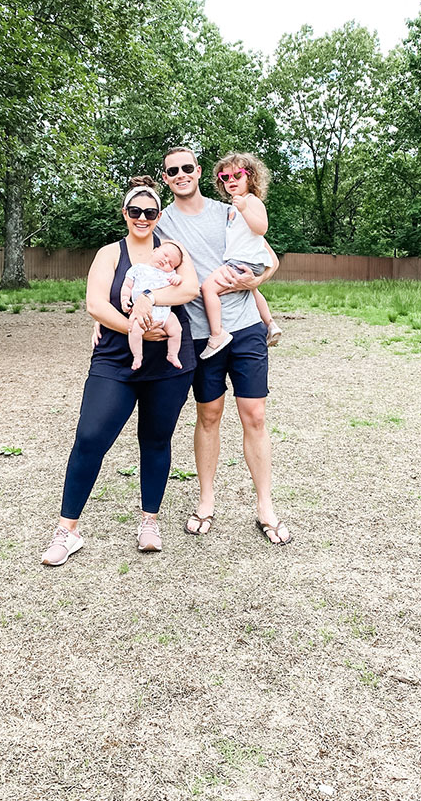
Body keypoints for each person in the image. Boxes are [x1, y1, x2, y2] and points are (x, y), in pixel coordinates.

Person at [41, 177, 199, 565]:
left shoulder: (174, 252)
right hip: (115, 359)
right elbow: (96, 304)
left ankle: (149, 522)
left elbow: (189, 290)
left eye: (149, 212)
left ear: (159, 216)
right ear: (125, 214)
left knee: (156, 439)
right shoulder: (111, 253)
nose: (142, 218)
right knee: (90, 436)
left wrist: (148, 299)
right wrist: (137, 327)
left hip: (169, 363)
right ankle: (67, 531)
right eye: (135, 211)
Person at [154, 146, 292, 546]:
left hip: (246, 328)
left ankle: (265, 506)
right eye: (172, 171)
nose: (180, 174)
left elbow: (269, 258)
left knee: (254, 416)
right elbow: (139, 263)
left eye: (186, 168)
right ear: (166, 178)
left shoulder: (229, 209)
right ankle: (206, 501)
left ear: (198, 171)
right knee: (209, 415)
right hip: (200, 332)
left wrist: (256, 282)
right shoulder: (162, 223)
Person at [199, 152, 280, 359]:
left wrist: (244, 209)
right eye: (225, 178)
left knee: (208, 288)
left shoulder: (251, 202)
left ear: (250, 176)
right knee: (253, 292)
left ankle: (217, 334)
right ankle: (270, 324)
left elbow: (261, 228)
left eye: (237, 175)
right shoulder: (234, 207)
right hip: (245, 261)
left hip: (243, 262)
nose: (231, 181)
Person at [121, 241, 185, 370]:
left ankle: (172, 354)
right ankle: (137, 356)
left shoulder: (170, 275)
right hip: (141, 312)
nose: (166, 261)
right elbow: (127, 286)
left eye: (170, 263)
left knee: (177, 330)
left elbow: (179, 286)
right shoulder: (138, 269)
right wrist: (124, 299)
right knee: (134, 331)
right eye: (165, 254)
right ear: (155, 250)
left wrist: (178, 279)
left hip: (164, 312)